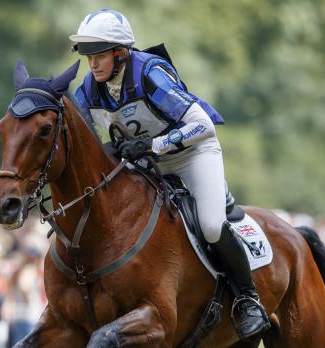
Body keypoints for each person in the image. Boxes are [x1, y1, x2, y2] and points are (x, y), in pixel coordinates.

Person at [70, 8, 269, 338]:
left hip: (192, 155)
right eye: (88, 56)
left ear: (120, 54)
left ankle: (248, 299)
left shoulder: (149, 73)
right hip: (147, 165)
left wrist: (155, 145)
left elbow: (202, 125)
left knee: (209, 226)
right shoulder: (90, 89)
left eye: (99, 56)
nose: (92, 65)